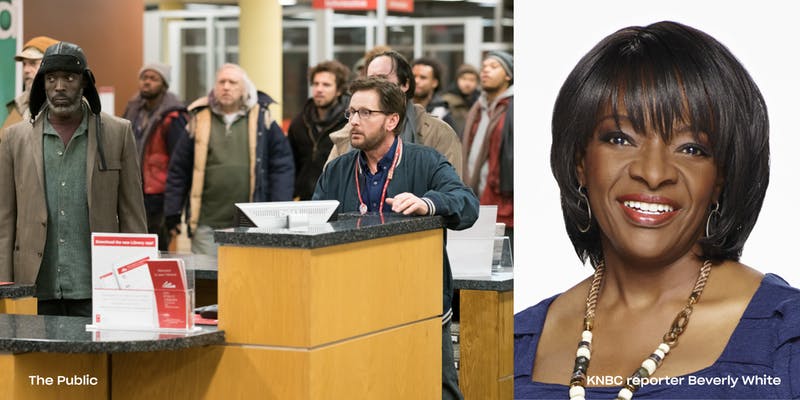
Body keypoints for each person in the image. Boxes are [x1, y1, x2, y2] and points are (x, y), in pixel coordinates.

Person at [515, 21, 799, 399]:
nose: (652, 173)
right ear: (580, 161)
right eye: (620, 138)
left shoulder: (786, 341)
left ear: (721, 178)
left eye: (691, 148)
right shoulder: (513, 342)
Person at [313, 76, 478, 400]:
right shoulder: (338, 169)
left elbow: (467, 204)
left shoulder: (425, 161)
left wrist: (429, 203)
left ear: (391, 120)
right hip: (354, 305)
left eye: (365, 113)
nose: (354, 122)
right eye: (351, 113)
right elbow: (316, 223)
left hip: (419, 304)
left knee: (435, 389)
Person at [0, 42, 147, 316]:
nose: (59, 87)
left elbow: (132, 216)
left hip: (98, 286)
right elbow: (4, 220)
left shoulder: (117, 133)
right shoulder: (14, 139)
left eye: (69, 77)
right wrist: (4, 285)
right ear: (42, 84)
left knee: (93, 361)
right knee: (36, 360)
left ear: (84, 82)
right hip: (32, 286)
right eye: (51, 78)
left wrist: (136, 285)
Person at [164, 63, 294, 257]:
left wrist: (279, 210)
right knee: (207, 282)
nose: (226, 87)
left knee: (248, 279)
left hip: (251, 224)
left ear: (244, 88)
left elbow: (282, 167)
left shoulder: (262, 118)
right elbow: (178, 170)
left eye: (232, 82)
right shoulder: (198, 119)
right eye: (221, 82)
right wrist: (172, 211)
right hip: (206, 224)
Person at [327, 49, 463, 178]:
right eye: (370, 80)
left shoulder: (437, 133)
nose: (376, 86)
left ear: (405, 84)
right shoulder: (350, 131)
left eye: (382, 78)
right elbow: (329, 189)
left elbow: (451, 195)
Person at [122, 62, 189, 251]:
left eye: (153, 78)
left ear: (164, 84)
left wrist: (174, 206)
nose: (147, 82)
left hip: (159, 194)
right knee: (134, 246)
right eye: (144, 77)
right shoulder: (133, 109)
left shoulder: (173, 116)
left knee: (158, 249)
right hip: (135, 188)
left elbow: (179, 162)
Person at [462, 50, 514, 246]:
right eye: (483, 68)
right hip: (477, 198)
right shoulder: (478, 107)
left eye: (494, 67)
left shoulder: (513, 107)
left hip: (504, 202)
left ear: (508, 75)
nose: (485, 71)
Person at [287, 60, 350, 200]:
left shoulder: (350, 122)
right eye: (316, 84)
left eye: (326, 85)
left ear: (339, 90)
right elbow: (290, 163)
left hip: (336, 199)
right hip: (304, 200)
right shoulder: (299, 122)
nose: (319, 89)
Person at [2, 36, 59, 130]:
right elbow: (4, 141)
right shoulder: (21, 105)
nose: (26, 70)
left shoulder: (70, 106)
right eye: (24, 64)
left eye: (33, 63)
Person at [411, 57, 457, 131]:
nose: (416, 81)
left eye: (423, 77)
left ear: (434, 83)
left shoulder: (442, 114)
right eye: (413, 76)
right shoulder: (401, 108)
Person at [441, 63, 480, 138]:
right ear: (457, 80)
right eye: (464, 79)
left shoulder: (481, 103)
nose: (467, 83)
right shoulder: (445, 102)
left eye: (472, 80)